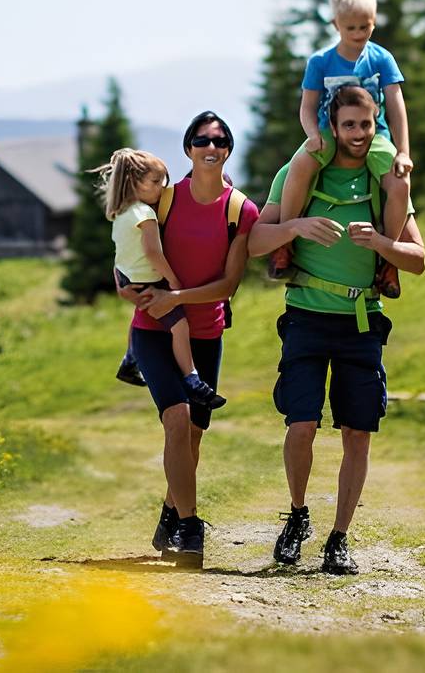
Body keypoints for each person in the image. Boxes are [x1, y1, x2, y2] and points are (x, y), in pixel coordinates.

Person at [249, 86, 425, 575]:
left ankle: (339, 537)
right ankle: (299, 516)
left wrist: (383, 243)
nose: (358, 135)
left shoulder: (383, 180)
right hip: (305, 317)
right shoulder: (297, 174)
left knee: (358, 433)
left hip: (362, 323)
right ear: (331, 125)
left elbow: (419, 261)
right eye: (349, 125)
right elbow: (255, 243)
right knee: (300, 423)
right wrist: (296, 227)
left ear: (377, 125)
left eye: (366, 125)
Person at [118, 111, 258, 567]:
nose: (210, 146)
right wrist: (124, 284)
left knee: (194, 437)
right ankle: (192, 527)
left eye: (219, 140)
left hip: (206, 332)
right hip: (153, 330)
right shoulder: (164, 200)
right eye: (201, 140)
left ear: (228, 148)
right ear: (188, 149)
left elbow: (228, 286)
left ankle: (170, 513)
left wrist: (175, 294)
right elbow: (126, 248)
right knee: (176, 421)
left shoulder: (241, 210)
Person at [272, 0, 413, 299]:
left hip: (374, 135)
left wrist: (402, 151)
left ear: (374, 22)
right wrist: (312, 136)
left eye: (366, 26)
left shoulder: (381, 59)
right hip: (328, 132)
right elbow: (307, 106)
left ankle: (390, 260)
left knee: (400, 183)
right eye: (351, 27)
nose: (359, 32)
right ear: (336, 25)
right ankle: (284, 242)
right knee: (300, 166)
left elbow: (395, 105)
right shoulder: (321, 62)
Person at [93, 147, 225, 409]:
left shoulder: (121, 211)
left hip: (127, 275)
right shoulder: (146, 213)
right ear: (134, 182)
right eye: (155, 182)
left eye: (164, 180)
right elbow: (153, 253)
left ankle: (130, 359)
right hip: (149, 281)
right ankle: (192, 379)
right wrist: (173, 281)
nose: (161, 188)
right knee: (180, 327)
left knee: (141, 314)